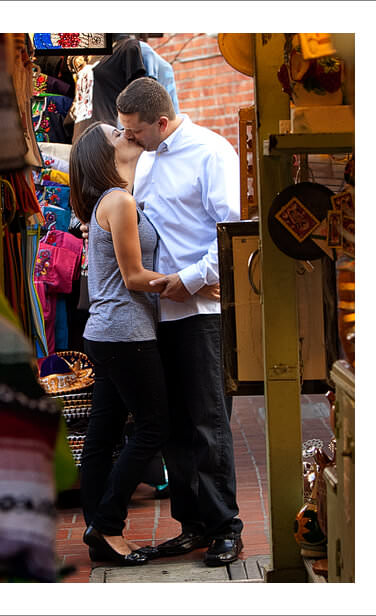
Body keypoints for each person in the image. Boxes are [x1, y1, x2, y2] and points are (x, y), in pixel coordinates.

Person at [68, 121, 219, 566]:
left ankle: (99, 526)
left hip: (108, 330)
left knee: (104, 432)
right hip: (125, 331)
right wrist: (187, 283)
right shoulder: (119, 201)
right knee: (154, 426)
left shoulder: (111, 200)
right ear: (103, 155)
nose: (125, 134)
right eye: (116, 135)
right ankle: (107, 524)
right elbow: (134, 278)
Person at [115, 76, 244, 566]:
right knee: (171, 426)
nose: (128, 138)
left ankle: (226, 527)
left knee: (207, 421)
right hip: (156, 314)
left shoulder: (212, 153)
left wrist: (189, 280)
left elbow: (232, 232)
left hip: (199, 310)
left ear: (162, 122)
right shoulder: (145, 158)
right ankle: (193, 525)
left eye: (135, 130)